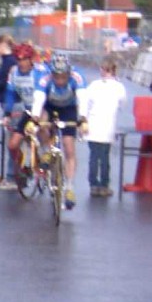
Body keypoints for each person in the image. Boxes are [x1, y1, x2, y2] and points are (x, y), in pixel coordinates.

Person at [29, 54, 88, 209]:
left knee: (69, 147)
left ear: (69, 73)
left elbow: (83, 99)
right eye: (57, 77)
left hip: (69, 109)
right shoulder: (44, 79)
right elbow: (39, 99)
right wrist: (34, 120)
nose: (60, 80)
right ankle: (47, 150)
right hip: (49, 106)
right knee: (42, 122)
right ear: (52, 74)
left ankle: (69, 187)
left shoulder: (77, 77)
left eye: (63, 77)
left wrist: (83, 120)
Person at [0, 42, 47, 190]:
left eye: (24, 59)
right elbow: (11, 93)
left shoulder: (40, 71)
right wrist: (7, 113)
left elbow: (42, 95)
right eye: (18, 60)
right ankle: (22, 169)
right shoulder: (14, 73)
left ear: (31, 59)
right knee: (13, 144)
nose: (21, 63)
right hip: (28, 110)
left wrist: (37, 118)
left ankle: (46, 156)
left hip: (44, 107)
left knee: (43, 129)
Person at [80, 56, 126, 197]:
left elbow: (84, 103)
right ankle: (104, 186)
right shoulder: (119, 87)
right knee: (105, 157)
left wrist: (83, 119)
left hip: (92, 126)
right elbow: (123, 105)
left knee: (94, 156)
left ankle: (93, 185)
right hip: (108, 127)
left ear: (102, 69)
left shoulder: (94, 85)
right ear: (114, 70)